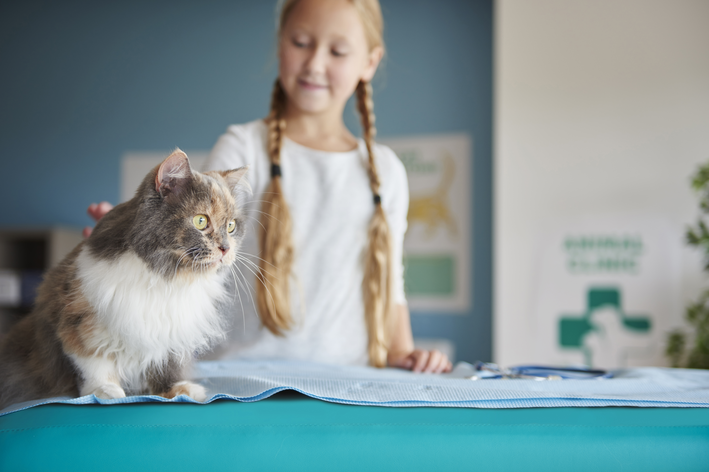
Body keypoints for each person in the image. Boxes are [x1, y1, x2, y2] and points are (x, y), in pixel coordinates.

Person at [86, 0, 452, 373]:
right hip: (242, 384)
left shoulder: (386, 171)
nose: (314, 63)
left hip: (349, 386)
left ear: (369, 63)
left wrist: (407, 354)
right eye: (300, 42)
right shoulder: (243, 148)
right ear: (280, 45)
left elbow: (390, 284)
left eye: (338, 51)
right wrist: (134, 244)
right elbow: (199, 256)